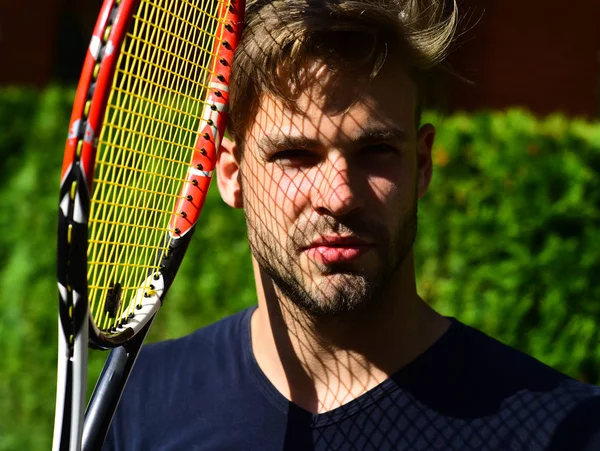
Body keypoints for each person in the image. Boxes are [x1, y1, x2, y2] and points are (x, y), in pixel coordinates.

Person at [104, 1, 600, 449]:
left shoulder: (564, 430)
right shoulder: (140, 401)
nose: (340, 197)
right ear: (230, 174)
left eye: (376, 151)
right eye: (295, 155)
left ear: (421, 164)